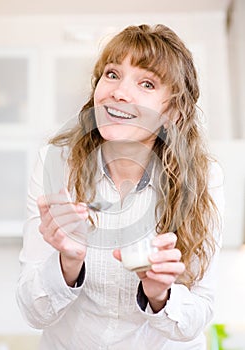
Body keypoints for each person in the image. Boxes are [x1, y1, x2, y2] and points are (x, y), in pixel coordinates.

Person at [16, 24, 224, 349]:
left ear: (173, 112)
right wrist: (67, 263)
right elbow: (33, 312)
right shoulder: (56, 164)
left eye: (146, 83)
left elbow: (198, 315)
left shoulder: (204, 178)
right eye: (112, 74)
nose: (120, 92)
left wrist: (160, 295)